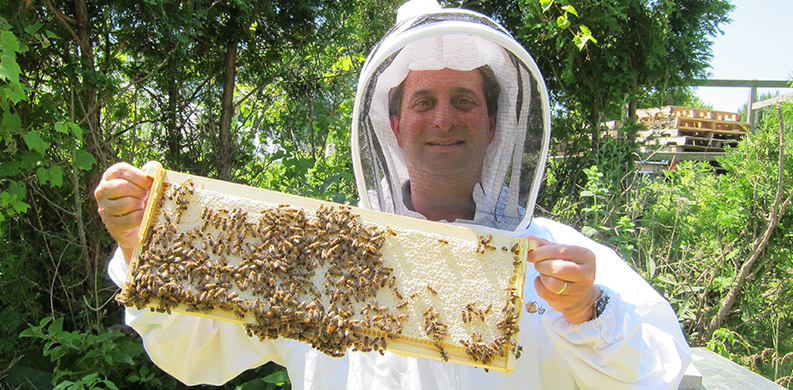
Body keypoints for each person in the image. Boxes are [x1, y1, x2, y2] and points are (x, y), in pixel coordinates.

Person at [95, 1, 692, 388]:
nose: (443, 120)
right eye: (423, 102)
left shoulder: (556, 259)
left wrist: (589, 311)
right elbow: (195, 354)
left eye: (464, 101)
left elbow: (659, 374)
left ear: (494, 127)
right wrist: (143, 242)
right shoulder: (320, 254)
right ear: (394, 125)